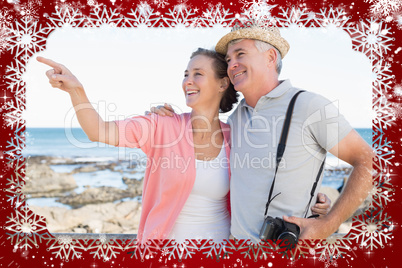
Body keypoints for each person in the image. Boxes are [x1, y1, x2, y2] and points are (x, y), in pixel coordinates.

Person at [153, 25, 373, 242]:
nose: (232, 64)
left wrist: (329, 223)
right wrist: (165, 120)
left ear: (270, 57)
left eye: (240, 54)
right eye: (229, 59)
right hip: (237, 254)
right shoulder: (235, 119)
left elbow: (369, 162)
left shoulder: (310, 106)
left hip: (289, 254)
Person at [37, 48, 238, 243]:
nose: (188, 81)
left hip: (220, 253)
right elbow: (98, 131)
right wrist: (76, 90)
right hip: (168, 255)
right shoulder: (162, 125)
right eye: (186, 74)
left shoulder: (234, 136)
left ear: (222, 84)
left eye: (198, 74)